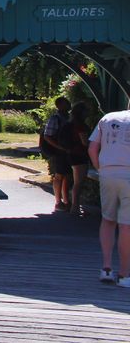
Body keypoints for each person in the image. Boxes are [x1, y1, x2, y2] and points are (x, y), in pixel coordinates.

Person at [88, 108, 130, 286]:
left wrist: (100, 169)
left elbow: (92, 148)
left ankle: (106, 268)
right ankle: (124, 274)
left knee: (108, 220)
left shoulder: (108, 118)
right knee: (126, 226)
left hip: (108, 173)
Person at [42, 97, 73, 212]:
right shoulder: (55, 119)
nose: (69, 104)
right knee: (59, 175)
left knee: (67, 175)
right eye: (66, 103)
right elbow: (47, 136)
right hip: (59, 152)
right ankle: (58, 201)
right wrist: (59, 147)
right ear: (59, 105)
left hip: (68, 151)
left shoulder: (69, 118)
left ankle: (66, 201)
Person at [66, 102, 92, 217]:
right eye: (86, 110)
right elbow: (85, 142)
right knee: (78, 183)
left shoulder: (72, 123)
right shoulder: (80, 125)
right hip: (79, 155)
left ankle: (75, 206)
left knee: (77, 182)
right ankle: (75, 207)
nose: (88, 112)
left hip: (73, 155)